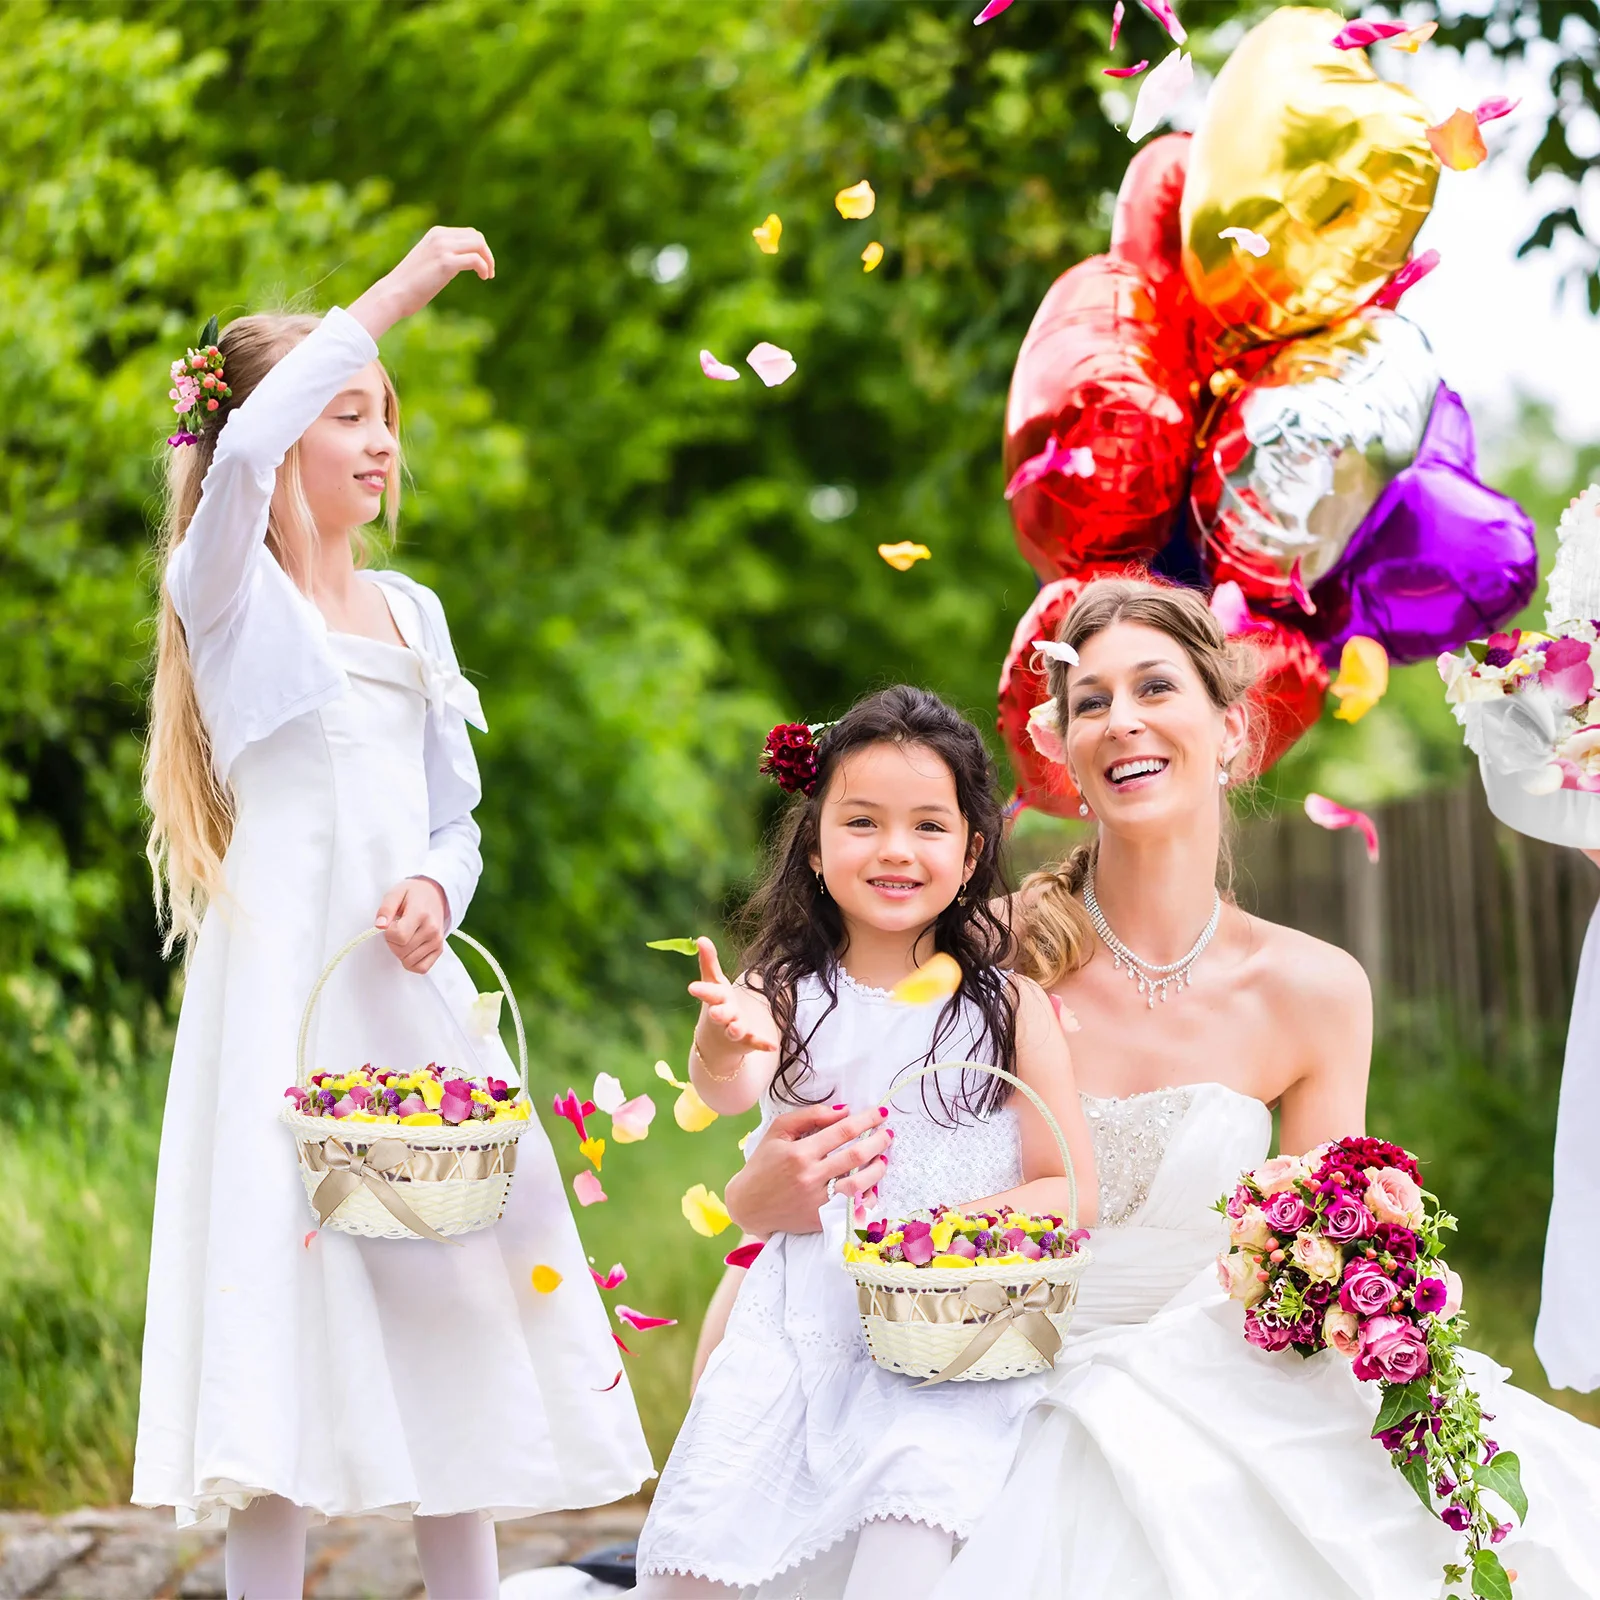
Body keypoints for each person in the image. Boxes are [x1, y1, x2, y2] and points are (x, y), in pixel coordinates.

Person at [134, 229, 652, 1600]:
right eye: (345, 413)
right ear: (285, 428)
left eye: (385, 420)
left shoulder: (412, 614)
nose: (377, 444)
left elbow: (452, 820)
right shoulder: (230, 598)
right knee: (282, 1312)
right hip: (284, 1003)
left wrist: (436, 888)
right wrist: (404, 289)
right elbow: (239, 461)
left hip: (406, 1003)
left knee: (454, 1306)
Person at [631, 685, 1099, 1600]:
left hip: (950, 1337)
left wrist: (941, 1241)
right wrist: (720, 1041)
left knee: (908, 1523)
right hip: (801, 1326)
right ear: (815, 848)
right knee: (707, 1548)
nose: (894, 849)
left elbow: (1069, 1186)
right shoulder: (782, 989)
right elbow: (729, 1086)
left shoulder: (1007, 1009)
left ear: (970, 855)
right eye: (862, 822)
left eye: (929, 826)